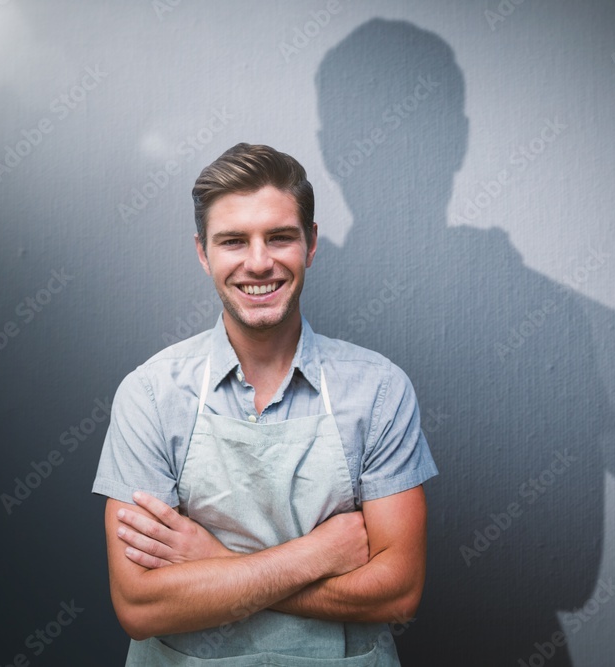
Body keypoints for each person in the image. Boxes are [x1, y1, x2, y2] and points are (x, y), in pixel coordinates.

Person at [91, 142, 437, 666]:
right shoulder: (150, 395)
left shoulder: (379, 390)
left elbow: (399, 593)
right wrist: (316, 555)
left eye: (279, 237)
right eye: (233, 241)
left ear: (311, 243)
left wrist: (214, 562)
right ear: (203, 253)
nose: (259, 262)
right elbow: (141, 605)